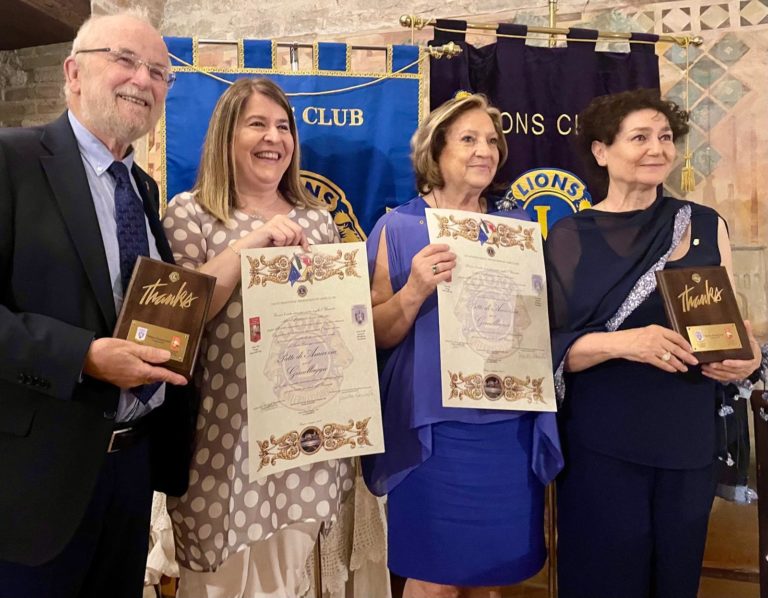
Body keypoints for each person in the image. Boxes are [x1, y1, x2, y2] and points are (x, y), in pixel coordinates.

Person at [0, 11, 193, 598]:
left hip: (130, 474)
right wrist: (83, 356)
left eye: (159, 71)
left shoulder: (142, 188)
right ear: (73, 72)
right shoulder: (11, 161)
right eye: (125, 60)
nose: (144, 79)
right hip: (36, 485)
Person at [545, 88, 762, 598]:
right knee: (603, 579)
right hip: (601, 441)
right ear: (601, 150)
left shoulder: (704, 224)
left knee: (675, 578)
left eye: (665, 137)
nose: (657, 149)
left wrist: (748, 356)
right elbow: (552, 350)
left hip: (687, 437)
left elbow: (734, 325)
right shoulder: (570, 234)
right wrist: (625, 343)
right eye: (639, 137)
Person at [363, 93, 562, 598]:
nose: (485, 151)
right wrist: (413, 290)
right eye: (469, 139)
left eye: (492, 141)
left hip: (507, 428)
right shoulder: (397, 228)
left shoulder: (518, 230)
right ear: (435, 151)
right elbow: (373, 334)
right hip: (434, 434)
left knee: (489, 578)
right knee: (433, 580)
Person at [163, 77, 354, 598]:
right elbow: (183, 319)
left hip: (301, 441)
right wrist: (252, 244)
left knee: (285, 584)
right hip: (221, 441)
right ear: (227, 135)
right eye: (257, 124)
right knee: (215, 585)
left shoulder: (318, 222)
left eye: (283, 126)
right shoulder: (191, 213)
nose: (274, 138)